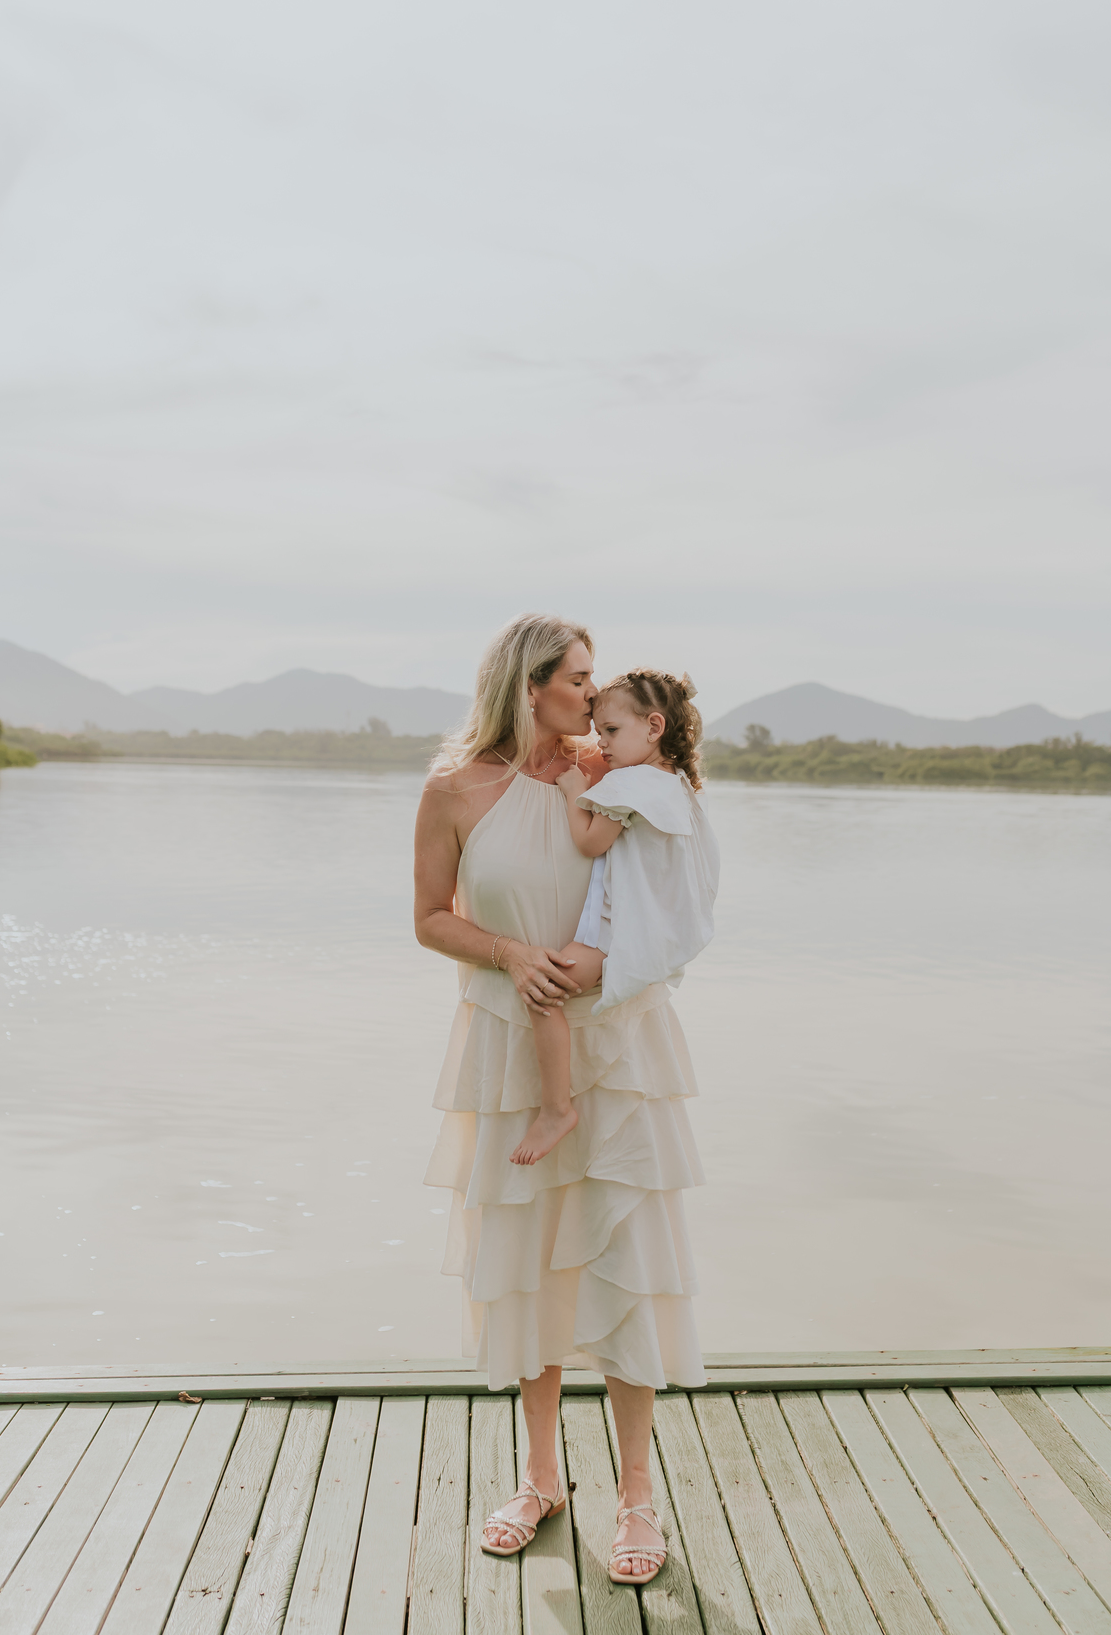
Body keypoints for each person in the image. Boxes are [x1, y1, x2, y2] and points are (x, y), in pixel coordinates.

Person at [415, 613, 707, 1584]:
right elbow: (427, 920)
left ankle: (635, 1494)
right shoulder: (454, 790)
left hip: (618, 1049)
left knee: (625, 1265)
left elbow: (676, 892)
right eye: (578, 678)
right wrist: (507, 952)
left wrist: (600, 965)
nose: (594, 690)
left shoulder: (617, 773)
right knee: (530, 1267)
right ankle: (540, 1478)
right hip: (510, 1048)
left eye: (594, 679)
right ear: (529, 684)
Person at [508, 668, 719, 1168]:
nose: (600, 742)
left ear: (654, 726)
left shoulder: (633, 783)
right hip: (639, 928)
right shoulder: (677, 784)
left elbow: (589, 842)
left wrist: (571, 791)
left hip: (612, 932)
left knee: (543, 991)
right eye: (599, 731)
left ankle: (556, 1110)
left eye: (611, 731)